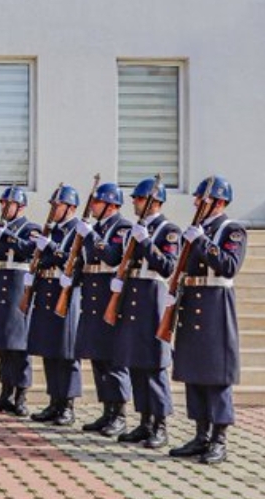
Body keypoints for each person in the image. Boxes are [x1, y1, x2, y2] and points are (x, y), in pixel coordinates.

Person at [169, 176, 245, 464]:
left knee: (216, 374)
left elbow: (228, 266)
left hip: (215, 306)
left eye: (203, 198)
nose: (197, 202)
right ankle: (201, 435)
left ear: (220, 202)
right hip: (193, 301)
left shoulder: (231, 230)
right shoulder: (196, 230)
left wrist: (201, 241)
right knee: (194, 371)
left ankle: (219, 439)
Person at [110, 177, 179, 449]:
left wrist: (147, 242)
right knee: (136, 362)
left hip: (152, 298)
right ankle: (144, 422)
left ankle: (160, 425)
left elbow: (167, 266)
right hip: (133, 296)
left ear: (155, 202)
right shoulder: (135, 229)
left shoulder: (168, 230)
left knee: (153, 363)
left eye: (139, 199)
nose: (134, 203)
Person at [72, 182, 132, 437]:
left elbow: (112, 257)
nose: (93, 207)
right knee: (98, 358)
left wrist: (92, 237)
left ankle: (119, 414)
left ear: (111, 204)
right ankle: (107, 411)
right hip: (92, 299)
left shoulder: (122, 228)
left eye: (97, 202)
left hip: (110, 300)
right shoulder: (94, 229)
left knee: (113, 360)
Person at [24, 185, 83, 426]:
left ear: (70, 207)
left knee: (66, 354)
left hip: (65, 294)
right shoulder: (53, 231)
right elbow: (44, 259)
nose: (54, 209)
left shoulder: (77, 232)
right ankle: (54, 401)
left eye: (57, 205)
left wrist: (50, 248)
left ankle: (67, 405)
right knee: (49, 351)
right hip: (47, 292)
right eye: (53, 205)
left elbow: (73, 259)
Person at [0, 186, 39, 416]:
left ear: (20, 207)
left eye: (8, 204)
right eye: (2, 203)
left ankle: (21, 396)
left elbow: (28, 250)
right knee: (3, 347)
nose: (4, 207)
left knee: (20, 347)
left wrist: (8, 236)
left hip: (17, 290)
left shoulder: (30, 229)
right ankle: (5, 394)